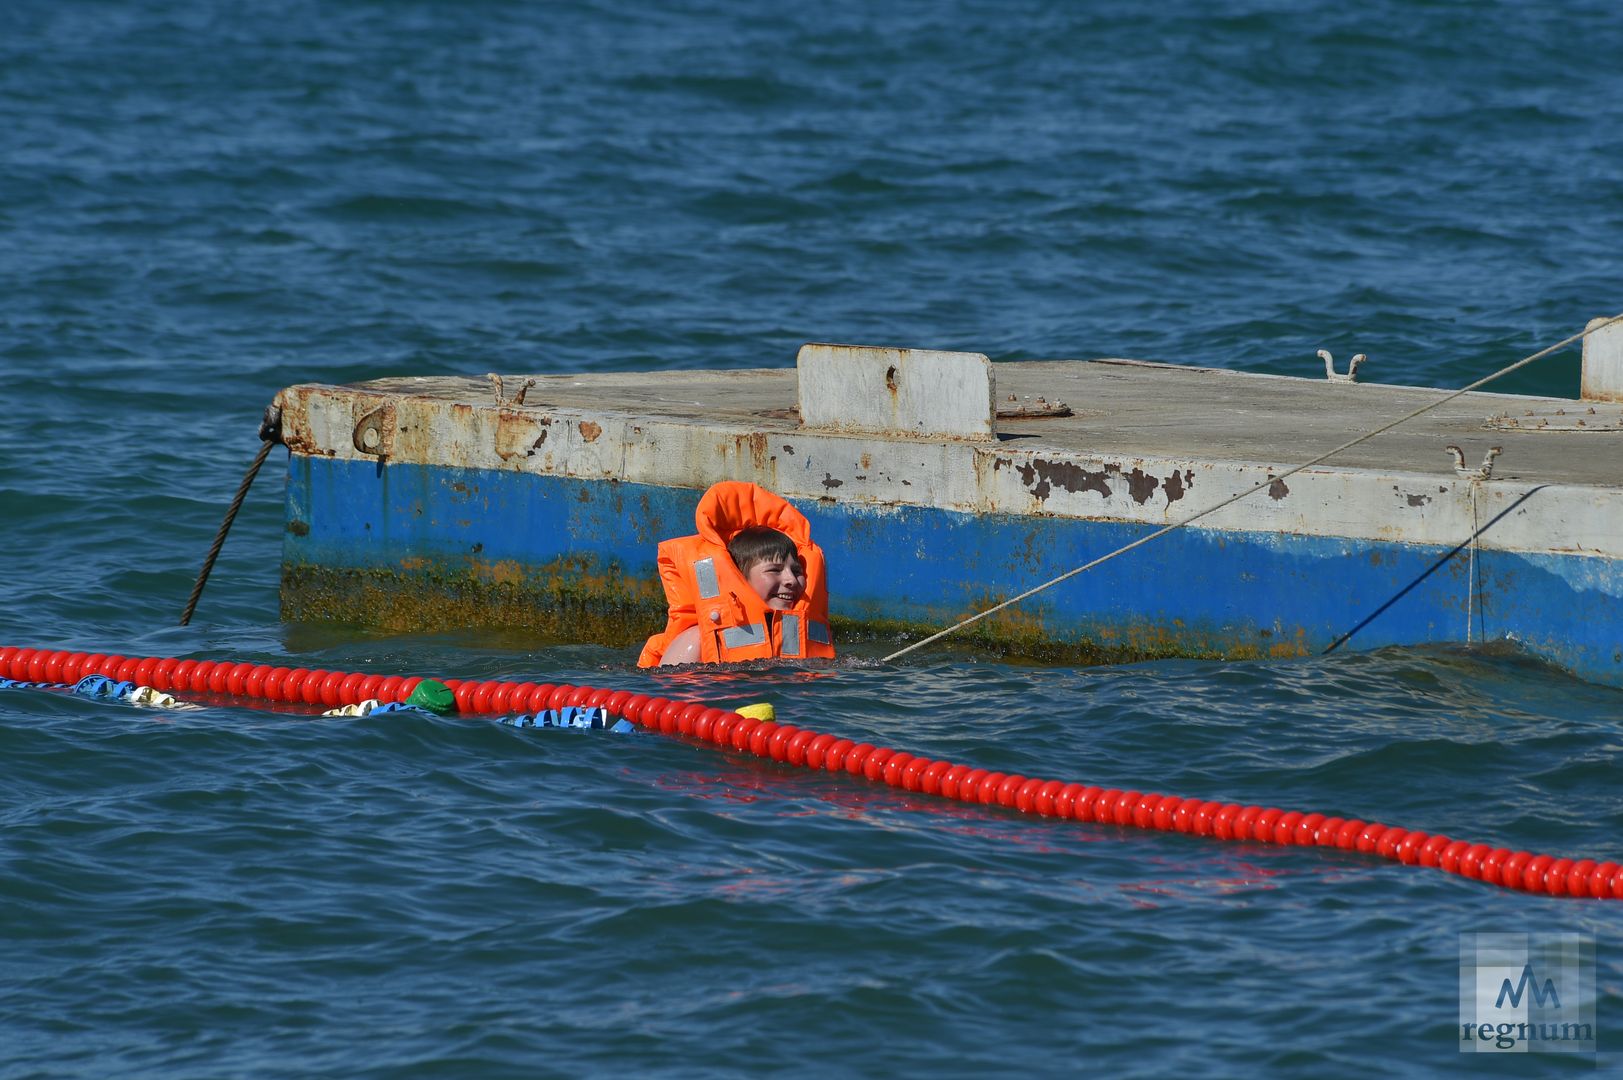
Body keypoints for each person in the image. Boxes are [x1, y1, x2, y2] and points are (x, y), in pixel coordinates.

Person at [638, 481, 835, 667]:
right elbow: (670, 700)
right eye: (774, 570)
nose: (791, 580)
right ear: (739, 578)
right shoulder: (695, 641)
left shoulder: (801, 638)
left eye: (796, 570)